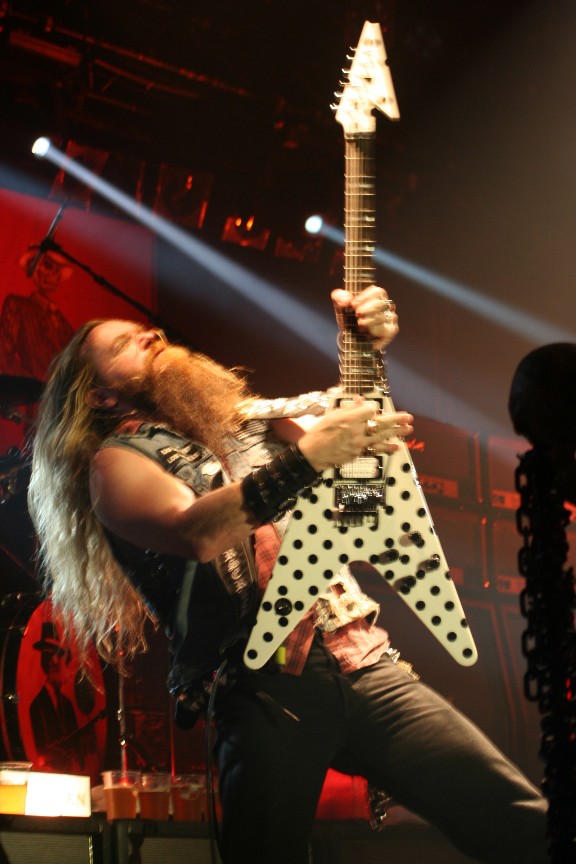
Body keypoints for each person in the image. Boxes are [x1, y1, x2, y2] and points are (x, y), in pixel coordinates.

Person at [28, 285, 547, 863]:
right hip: (262, 682)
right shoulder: (115, 463)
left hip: (361, 659)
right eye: (124, 344)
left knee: (517, 817)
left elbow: (364, 491)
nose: (150, 335)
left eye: (147, 331)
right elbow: (196, 532)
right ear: (100, 395)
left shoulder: (254, 421)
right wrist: (307, 459)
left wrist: (365, 351)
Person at [0, 245, 74, 381]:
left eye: (55, 269)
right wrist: (29, 385)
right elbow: (4, 354)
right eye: (46, 266)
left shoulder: (65, 326)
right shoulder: (18, 306)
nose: (48, 273)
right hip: (27, 390)